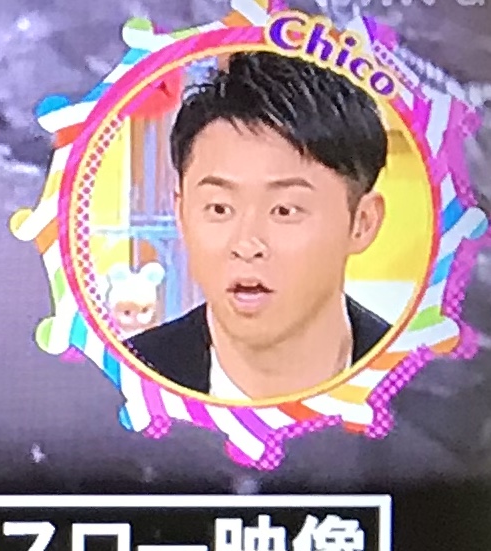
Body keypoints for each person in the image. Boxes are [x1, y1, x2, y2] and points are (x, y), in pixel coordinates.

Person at [122, 51, 395, 401]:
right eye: (219, 208)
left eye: (284, 210)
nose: (247, 244)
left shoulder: (427, 386)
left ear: (362, 223)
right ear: (181, 213)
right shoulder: (122, 386)